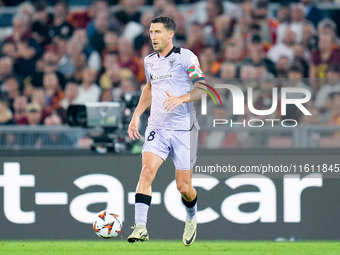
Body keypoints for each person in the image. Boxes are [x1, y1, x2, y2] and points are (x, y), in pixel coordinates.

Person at [127, 16, 206, 246]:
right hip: (157, 127)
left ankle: (191, 217)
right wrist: (136, 115)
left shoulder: (186, 57)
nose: (153, 36)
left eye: (158, 32)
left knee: (184, 187)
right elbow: (150, 88)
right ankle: (140, 227)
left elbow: (202, 89)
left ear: (170, 34)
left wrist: (181, 99)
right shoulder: (150, 61)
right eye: (151, 32)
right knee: (146, 172)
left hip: (183, 129)